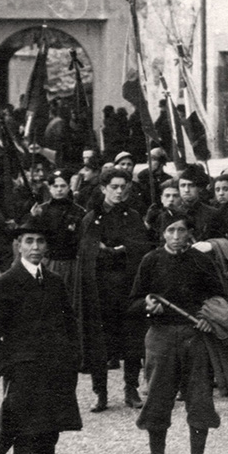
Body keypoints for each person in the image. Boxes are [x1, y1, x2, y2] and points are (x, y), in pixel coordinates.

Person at [0, 218, 83, 454]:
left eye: (41, 242)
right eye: (29, 242)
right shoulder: (6, 282)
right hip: (24, 370)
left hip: (56, 367)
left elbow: (69, 323)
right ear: (18, 246)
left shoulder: (55, 281)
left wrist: (72, 357)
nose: (36, 248)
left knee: (50, 427)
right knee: (25, 429)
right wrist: (5, 365)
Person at [128, 215, 228, 454]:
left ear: (190, 233)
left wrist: (207, 319)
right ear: (163, 233)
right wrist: (148, 304)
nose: (176, 235)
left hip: (196, 339)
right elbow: (134, 300)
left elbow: (217, 298)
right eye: (170, 230)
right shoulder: (151, 260)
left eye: (182, 230)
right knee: (156, 402)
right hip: (161, 338)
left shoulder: (202, 261)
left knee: (200, 402)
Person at [84, 168, 154, 410]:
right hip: (101, 289)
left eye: (123, 186)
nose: (119, 191)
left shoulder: (133, 216)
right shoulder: (92, 217)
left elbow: (142, 246)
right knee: (100, 342)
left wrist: (122, 249)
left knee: (133, 339)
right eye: (113, 186)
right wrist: (99, 248)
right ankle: (100, 392)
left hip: (127, 286)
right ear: (103, 188)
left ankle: (131, 388)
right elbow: (84, 250)